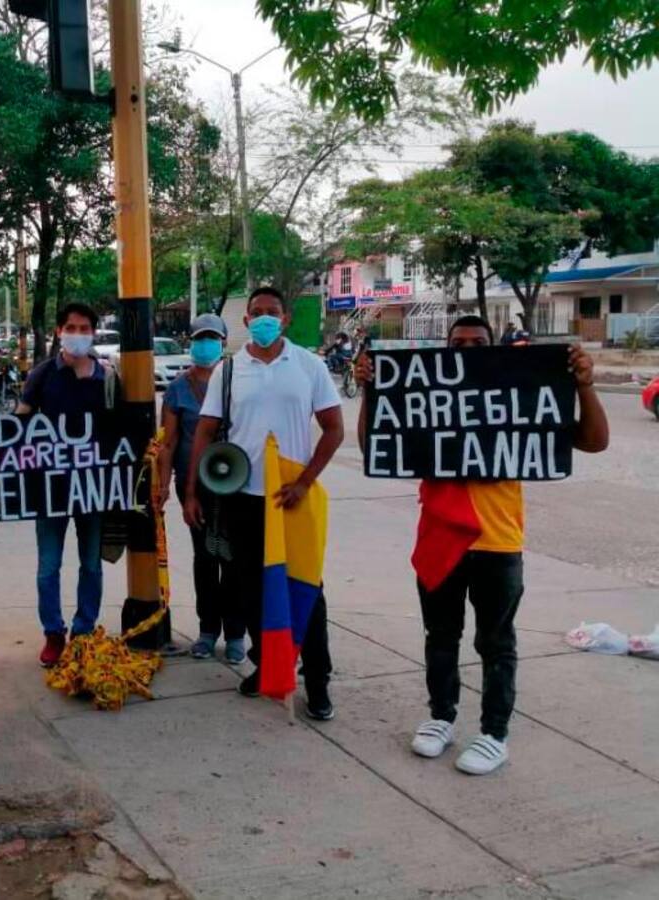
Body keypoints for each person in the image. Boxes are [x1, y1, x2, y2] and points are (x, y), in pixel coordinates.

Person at [354, 315, 609, 774]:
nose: (468, 348)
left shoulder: (520, 392)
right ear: (445, 349)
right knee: (441, 637)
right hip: (439, 538)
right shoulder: (426, 395)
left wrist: (585, 386)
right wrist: (373, 390)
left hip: (498, 541)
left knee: (496, 643)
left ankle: (494, 732)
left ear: (496, 347)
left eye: (478, 342)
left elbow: (594, 441)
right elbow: (377, 444)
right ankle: (440, 717)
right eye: (458, 342)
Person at [185, 286, 344, 719]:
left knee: (307, 592)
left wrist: (305, 482)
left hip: (291, 501)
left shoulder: (309, 366)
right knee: (249, 593)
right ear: (245, 321)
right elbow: (205, 430)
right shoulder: (230, 371)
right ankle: (268, 667)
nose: (264, 318)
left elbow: (333, 429)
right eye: (257, 313)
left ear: (286, 318)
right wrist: (193, 490)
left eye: (272, 312)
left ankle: (317, 681)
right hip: (241, 499)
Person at [11, 302, 122, 668]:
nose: (78, 333)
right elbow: (20, 424)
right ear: (60, 331)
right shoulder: (42, 375)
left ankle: (84, 630)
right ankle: (53, 633)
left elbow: (118, 430)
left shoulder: (107, 377)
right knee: (48, 566)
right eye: (71, 327)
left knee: (91, 564)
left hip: (92, 488)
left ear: (93, 332)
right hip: (51, 489)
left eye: (84, 327)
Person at [156, 314, 244, 664]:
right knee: (205, 558)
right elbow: (168, 442)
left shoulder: (237, 381)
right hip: (194, 486)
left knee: (233, 559)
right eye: (199, 338)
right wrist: (163, 487)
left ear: (223, 342)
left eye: (212, 338)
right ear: (191, 342)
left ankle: (236, 633)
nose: (205, 344)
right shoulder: (178, 388)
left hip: (237, 484)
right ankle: (208, 630)